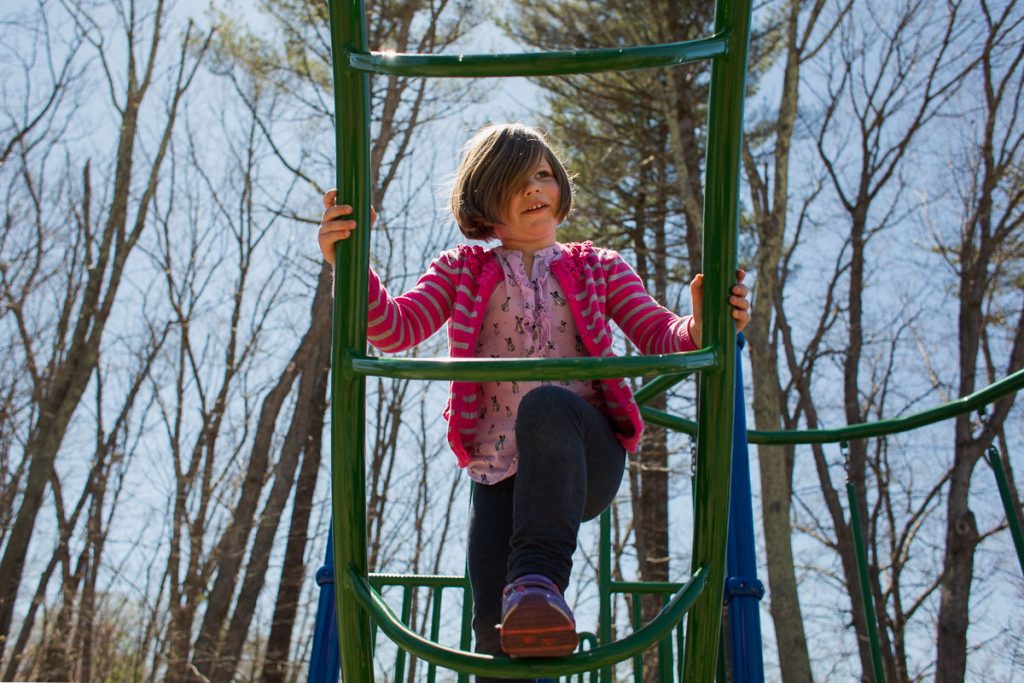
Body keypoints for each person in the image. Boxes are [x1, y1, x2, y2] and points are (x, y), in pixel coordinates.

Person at [318, 123, 750, 680]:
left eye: (543, 175)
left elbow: (661, 335)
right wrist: (351, 268)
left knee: (545, 404)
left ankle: (540, 580)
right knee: (495, 629)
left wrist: (703, 321)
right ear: (484, 200)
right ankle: (522, 616)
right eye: (515, 182)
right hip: (498, 474)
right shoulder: (462, 270)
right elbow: (397, 329)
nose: (534, 189)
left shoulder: (599, 266)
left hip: (583, 457)